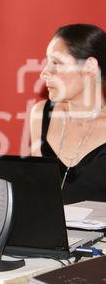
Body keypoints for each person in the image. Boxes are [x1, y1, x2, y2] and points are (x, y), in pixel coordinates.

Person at [30, 24, 106, 204]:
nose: (44, 73)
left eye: (56, 63)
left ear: (89, 67)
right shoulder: (41, 115)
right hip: (48, 231)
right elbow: (36, 194)